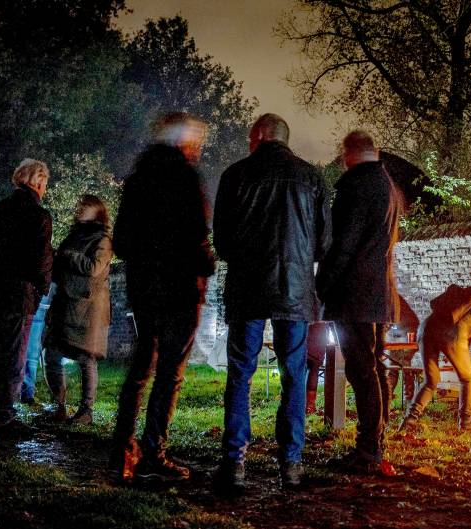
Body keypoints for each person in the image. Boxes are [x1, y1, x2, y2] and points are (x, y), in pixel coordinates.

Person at [211, 113, 329, 491]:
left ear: (260, 135)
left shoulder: (235, 175)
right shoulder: (311, 178)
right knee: (294, 374)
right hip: (293, 290)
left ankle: (234, 462)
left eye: (250, 138)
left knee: (240, 374)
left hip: (247, 288)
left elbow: (222, 242)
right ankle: (291, 463)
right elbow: (324, 243)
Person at [112, 112, 216, 481]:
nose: (198, 148)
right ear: (184, 142)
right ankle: (153, 451)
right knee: (170, 372)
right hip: (181, 289)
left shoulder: (137, 180)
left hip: (144, 288)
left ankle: (122, 449)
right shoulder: (187, 178)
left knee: (141, 367)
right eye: (196, 142)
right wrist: (206, 264)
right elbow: (197, 234)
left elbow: (121, 242)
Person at [316, 130, 401, 473]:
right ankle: (376, 442)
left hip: (354, 293)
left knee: (361, 369)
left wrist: (323, 284)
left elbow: (343, 244)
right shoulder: (387, 185)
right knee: (374, 366)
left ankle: (368, 450)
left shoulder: (355, 186)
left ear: (349, 153)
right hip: (379, 292)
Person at [0, 159, 53, 434]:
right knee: (14, 356)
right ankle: (6, 418)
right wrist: (42, 288)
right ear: (38, 182)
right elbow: (42, 260)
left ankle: (0, 411)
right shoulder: (38, 215)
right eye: (45, 183)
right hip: (20, 295)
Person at [42, 194, 113, 426]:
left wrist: (68, 256)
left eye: (86, 206)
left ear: (97, 212)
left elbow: (94, 268)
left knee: (86, 358)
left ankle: (86, 411)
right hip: (65, 304)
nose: (80, 209)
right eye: (81, 206)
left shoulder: (103, 240)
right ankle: (59, 406)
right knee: (52, 354)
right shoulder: (73, 236)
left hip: (88, 309)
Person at [399, 285, 471, 431]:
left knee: (431, 381)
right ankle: (465, 424)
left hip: (425, 329)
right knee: (468, 379)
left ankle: (410, 420)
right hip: (451, 335)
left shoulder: (458, 300)